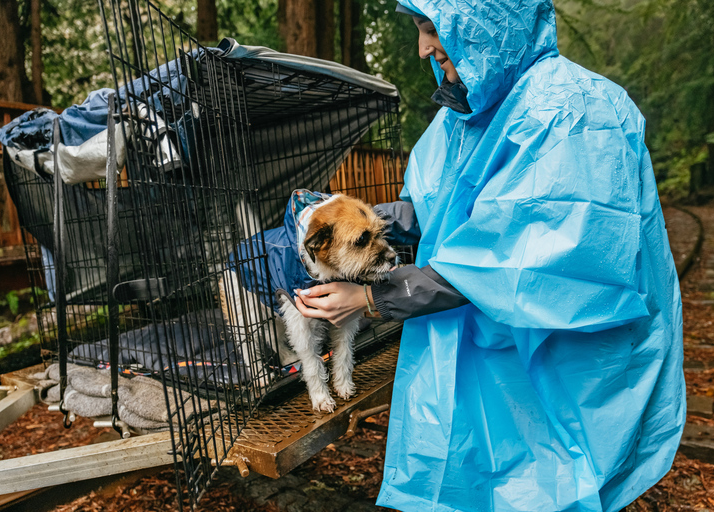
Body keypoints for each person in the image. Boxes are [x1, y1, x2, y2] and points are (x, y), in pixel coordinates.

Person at [294, 1, 685, 511]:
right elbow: (433, 205)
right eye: (418, 29)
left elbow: (509, 262)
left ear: (483, 20)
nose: (423, 49)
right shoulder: (463, 116)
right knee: (482, 477)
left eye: (434, 28)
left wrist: (371, 296)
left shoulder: (571, 113)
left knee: (556, 479)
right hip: (486, 355)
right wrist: (351, 218)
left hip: (564, 364)